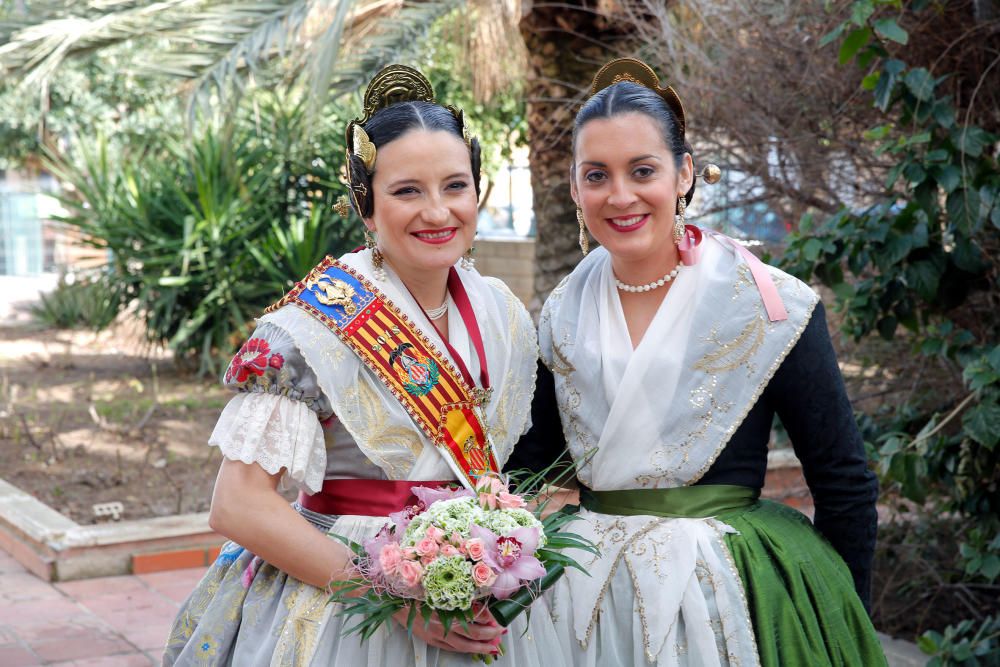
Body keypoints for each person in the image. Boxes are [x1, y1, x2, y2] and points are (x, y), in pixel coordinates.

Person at [164, 64, 565, 666]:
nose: (437, 212)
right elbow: (239, 504)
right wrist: (393, 598)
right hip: (348, 610)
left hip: (482, 600)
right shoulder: (310, 328)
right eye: (407, 191)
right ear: (367, 206)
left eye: (455, 186)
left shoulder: (502, 311)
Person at [506, 58, 887, 666]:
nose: (621, 195)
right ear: (574, 188)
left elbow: (843, 481)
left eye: (643, 170)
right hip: (582, 599)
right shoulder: (559, 312)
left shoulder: (770, 306)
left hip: (728, 592)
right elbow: (529, 469)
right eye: (597, 175)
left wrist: (841, 616)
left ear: (683, 173)